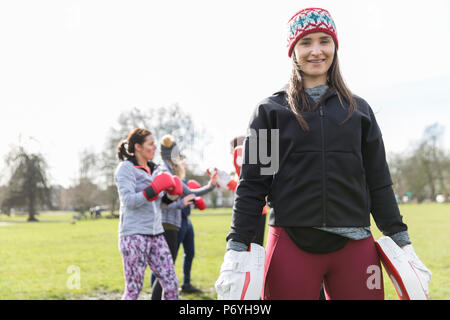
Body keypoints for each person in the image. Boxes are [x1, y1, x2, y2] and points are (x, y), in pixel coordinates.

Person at [218, 8, 432, 300]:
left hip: (355, 248)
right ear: (292, 50)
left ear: (335, 46)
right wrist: (236, 246)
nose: (316, 51)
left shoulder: (360, 112)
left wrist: (401, 241)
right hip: (291, 245)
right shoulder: (270, 112)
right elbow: (253, 185)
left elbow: (379, 183)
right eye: (305, 42)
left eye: (324, 40)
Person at [114, 128, 181, 300]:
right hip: (134, 235)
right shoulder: (126, 168)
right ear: (138, 147)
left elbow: (161, 203)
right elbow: (128, 201)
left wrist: (173, 194)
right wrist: (153, 189)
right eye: (150, 144)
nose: (155, 148)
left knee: (172, 285)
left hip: (156, 234)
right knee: (133, 289)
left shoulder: (156, 170)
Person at [150, 134, 217, 299]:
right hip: (164, 225)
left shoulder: (173, 173)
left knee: (166, 269)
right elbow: (160, 203)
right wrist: (181, 204)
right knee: (165, 269)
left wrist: (210, 185)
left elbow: (190, 192)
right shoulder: (162, 171)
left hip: (173, 225)